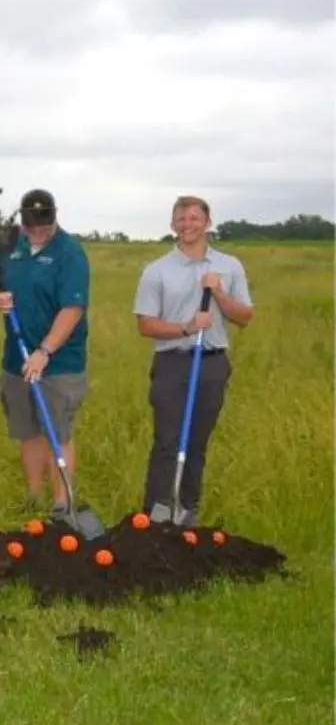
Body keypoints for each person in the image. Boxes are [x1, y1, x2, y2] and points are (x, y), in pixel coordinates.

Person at [133, 195, 255, 525]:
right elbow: (145, 324)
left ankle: (187, 512)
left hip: (212, 362)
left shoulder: (229, 266)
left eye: (194, 218)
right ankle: (156, 514)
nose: (187, 224)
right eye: (181, 219)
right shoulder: (156, 270)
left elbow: (244, 316)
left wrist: (218, 293)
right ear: (173, 225)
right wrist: (186, 327)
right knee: (169, 440)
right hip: (173, 363)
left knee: (197, 441)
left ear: (207, 223)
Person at [0, 189, 90, 517]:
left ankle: (61, 503)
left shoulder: (69, 253)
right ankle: (33, 498)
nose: (39, 230)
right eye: (32, 224)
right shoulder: (12, 242)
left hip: (59, 363)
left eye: (45, 223)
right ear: (22, 219)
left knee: (57, 431)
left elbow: (72, 308)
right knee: (27, 431)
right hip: (16, 358)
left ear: (55, 217)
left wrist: (45, 350)